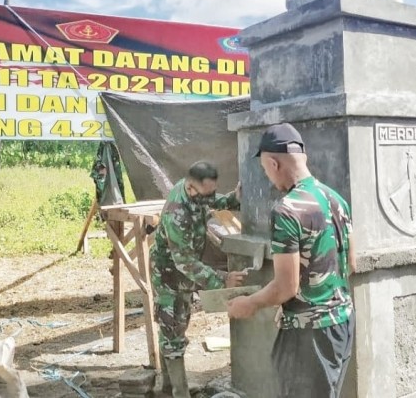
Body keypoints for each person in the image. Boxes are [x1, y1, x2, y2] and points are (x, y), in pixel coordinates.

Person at [227, 123, 355, 398]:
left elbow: (286, 287)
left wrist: (249, 303)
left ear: (273, 163)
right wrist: (290, 306)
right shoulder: (336, 200)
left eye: (265, 170)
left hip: (310, 336)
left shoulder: (287, 210)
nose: (268, 177)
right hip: (342, 323)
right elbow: (349, 265)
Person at [150, 161, 246, 398]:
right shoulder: (177, 213)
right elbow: (185, 263)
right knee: (172, 329)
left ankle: (168, 389)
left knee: (176, 325)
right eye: (206, 193)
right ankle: (179, 392)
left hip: (183, 273)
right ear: (192, 188)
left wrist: (234, 198)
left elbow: (213, 201)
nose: (210, 197)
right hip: (168, 275)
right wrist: (222, 280)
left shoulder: (196, 193)